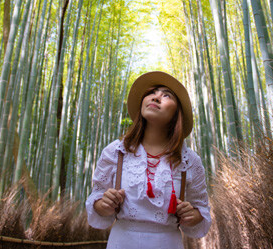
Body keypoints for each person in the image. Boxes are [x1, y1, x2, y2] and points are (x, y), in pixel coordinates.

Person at [85, 71, 211, 249]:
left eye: (166, 95)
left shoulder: (189, 160)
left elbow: (201, 209)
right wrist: (103, 204)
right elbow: (96, 199)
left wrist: (192, 215)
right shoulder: (116, 152)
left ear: (177, 113)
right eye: (151, 93)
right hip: (122, 242)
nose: (156, 97)